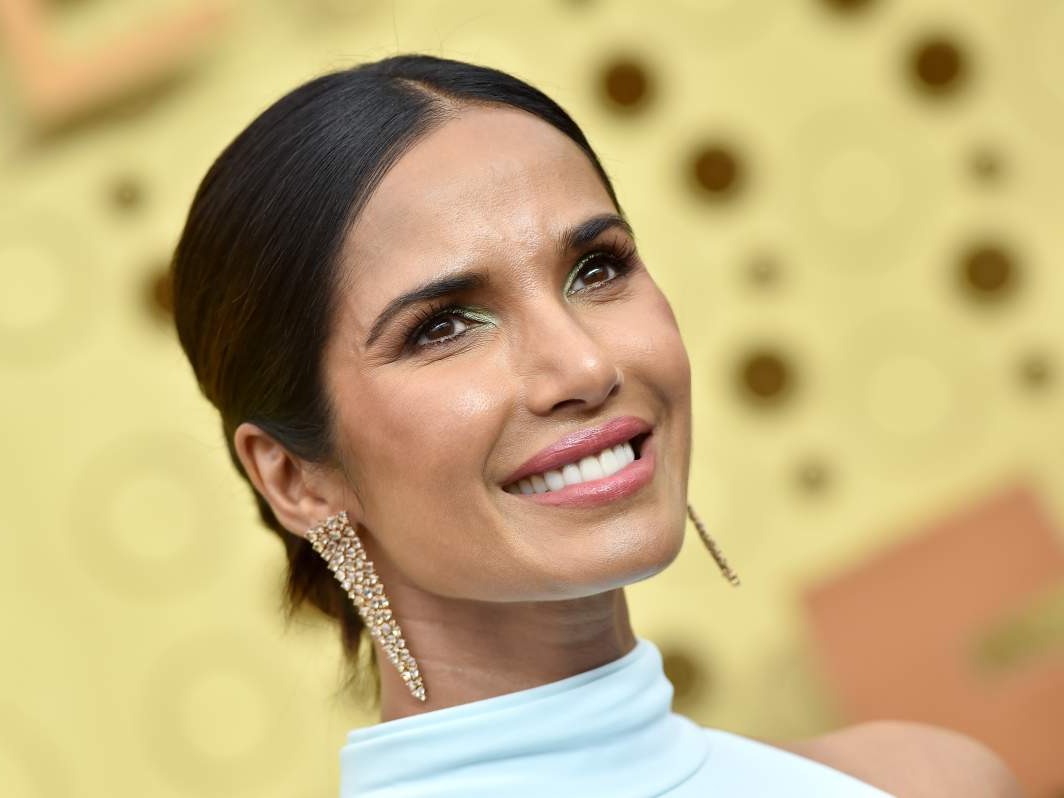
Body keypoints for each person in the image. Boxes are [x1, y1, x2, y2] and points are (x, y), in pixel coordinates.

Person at [168, 53, 1026, 798]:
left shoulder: (927, 783)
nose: (583, 366)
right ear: (293, 477)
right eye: (443, 326)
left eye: (597, 268)